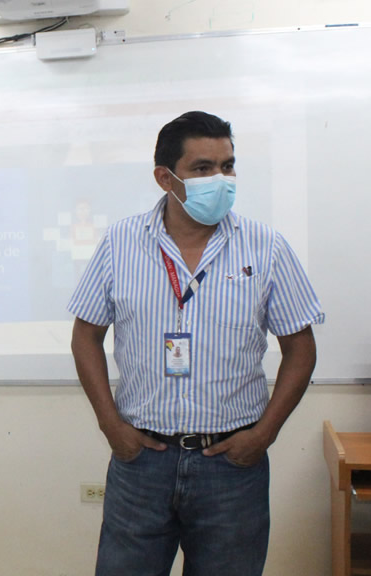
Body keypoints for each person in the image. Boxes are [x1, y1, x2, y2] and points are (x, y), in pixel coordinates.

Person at [67, 111, 323, 575]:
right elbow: (86, 336)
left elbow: (300, 349)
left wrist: (263, 435)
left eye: (227, 166)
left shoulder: (266, 247)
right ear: (166, 178)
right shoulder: (120, 243)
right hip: (141, 459)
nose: (220, 179)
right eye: (203, 168)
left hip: (231, 465)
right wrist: (111, 427)